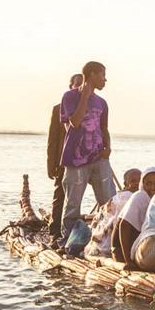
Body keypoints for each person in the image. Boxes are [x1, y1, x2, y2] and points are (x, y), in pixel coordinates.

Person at [59, 61, 116, 241]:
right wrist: (84, 96)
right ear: (91, 74)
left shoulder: (102, 103)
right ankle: (69, 241)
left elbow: (104, 128)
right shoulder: (69, 97)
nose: (105, 80)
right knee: (72, 205)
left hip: (99, 157)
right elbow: (74, 122)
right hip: (75, 159)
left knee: (109, 201)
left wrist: (108, 148)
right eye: (102, 75)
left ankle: (110, 239)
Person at [47, 73, 83, 244]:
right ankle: (55, 230)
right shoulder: (58, 108)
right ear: (70, 87)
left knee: (77, 196)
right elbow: (53, 138)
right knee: (60, 194)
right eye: (77, 85)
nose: (80, 88)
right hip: (65, 158)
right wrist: (51, 163)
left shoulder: (93, 106)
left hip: (86, 159)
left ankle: (75, 230)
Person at [83, 168, 141, 257]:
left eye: (140, 181)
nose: (137, 184)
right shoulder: (126, 197)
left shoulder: (120, 196)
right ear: (126, 184)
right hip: (110, 244)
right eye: (133, 181)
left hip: (103, 241)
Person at [112, 166, 155, 264]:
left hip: (137, 246)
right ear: (143, 184)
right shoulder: (140, 197)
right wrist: (128, 261)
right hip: (122, 252)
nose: (153, 187)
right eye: (148, 184)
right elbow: (124, 226)